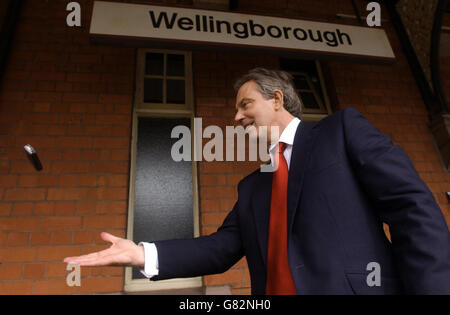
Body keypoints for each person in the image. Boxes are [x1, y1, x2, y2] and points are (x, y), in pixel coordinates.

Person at [64, 68, 450, 294]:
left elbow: (412, 209)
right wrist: (142, 254)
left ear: (278, 100)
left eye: (245, 104)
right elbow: (220, 249)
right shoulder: (253, 188)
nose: (236, 117)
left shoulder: (341, 131)